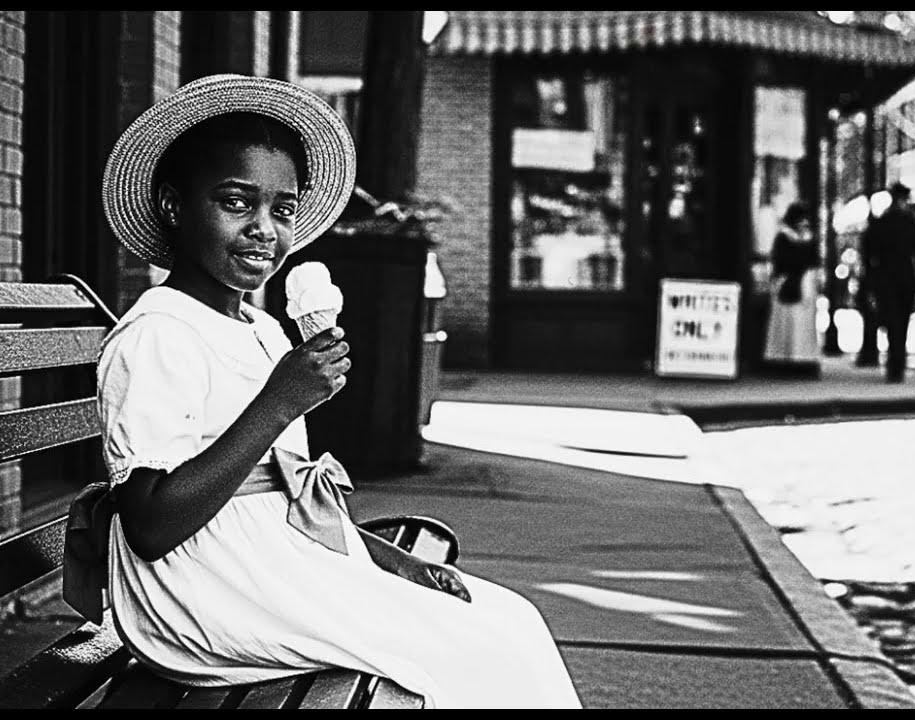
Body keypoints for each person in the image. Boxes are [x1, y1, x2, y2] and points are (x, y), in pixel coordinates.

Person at [83, 74, 581, 709]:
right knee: (479, 650)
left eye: (282, 210)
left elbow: (286, 495)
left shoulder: (262, 328)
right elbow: (151, 525)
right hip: (204, 595)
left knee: (511, 620)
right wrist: (280, 402)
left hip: (273, 563)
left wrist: (392, 562)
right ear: (175, 207)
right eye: (236, 203)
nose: (263, 229)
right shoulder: (158, 334)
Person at [861, 182, 915, 383]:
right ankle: (898, 361)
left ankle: (895, 362)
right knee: (901, 321)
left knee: (892, 321)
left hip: (885, 278)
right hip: (904, 278)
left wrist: (870, 281)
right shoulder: (911, 224)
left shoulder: (880, 224)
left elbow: (868, 257)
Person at [762, 201, 821, 377]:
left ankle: (796, 359)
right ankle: (793, 359)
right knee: (792, 324)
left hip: (797, 286)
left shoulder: (790, 238)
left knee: (794, 324)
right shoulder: (787, 237)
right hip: (796, 285)